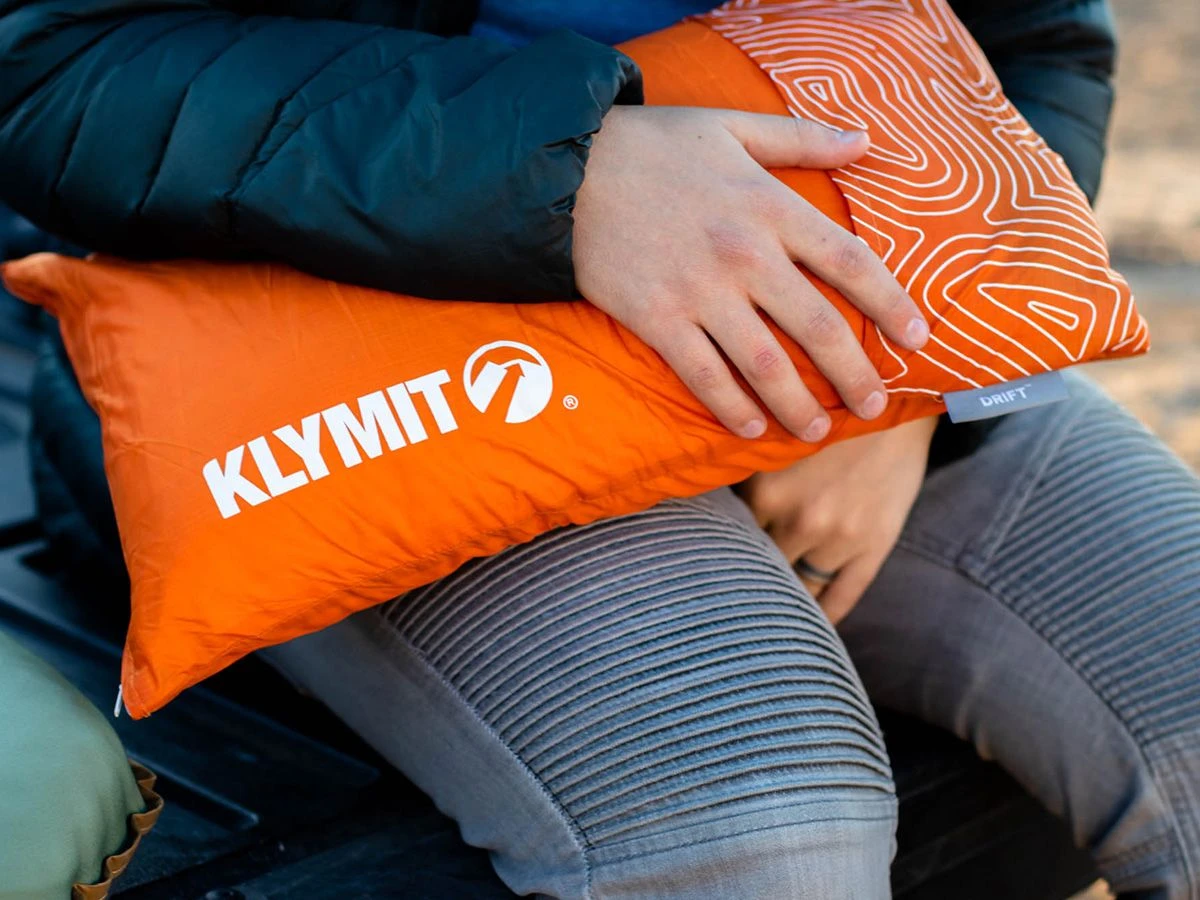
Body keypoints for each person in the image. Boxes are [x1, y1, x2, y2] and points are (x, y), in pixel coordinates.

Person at [1, 0, 1197, 897]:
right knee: (763, 825)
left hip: (851, 305)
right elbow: (51, 55)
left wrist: (921, 380)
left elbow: (1035, 37)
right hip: (359, 348)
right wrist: (569, 170)